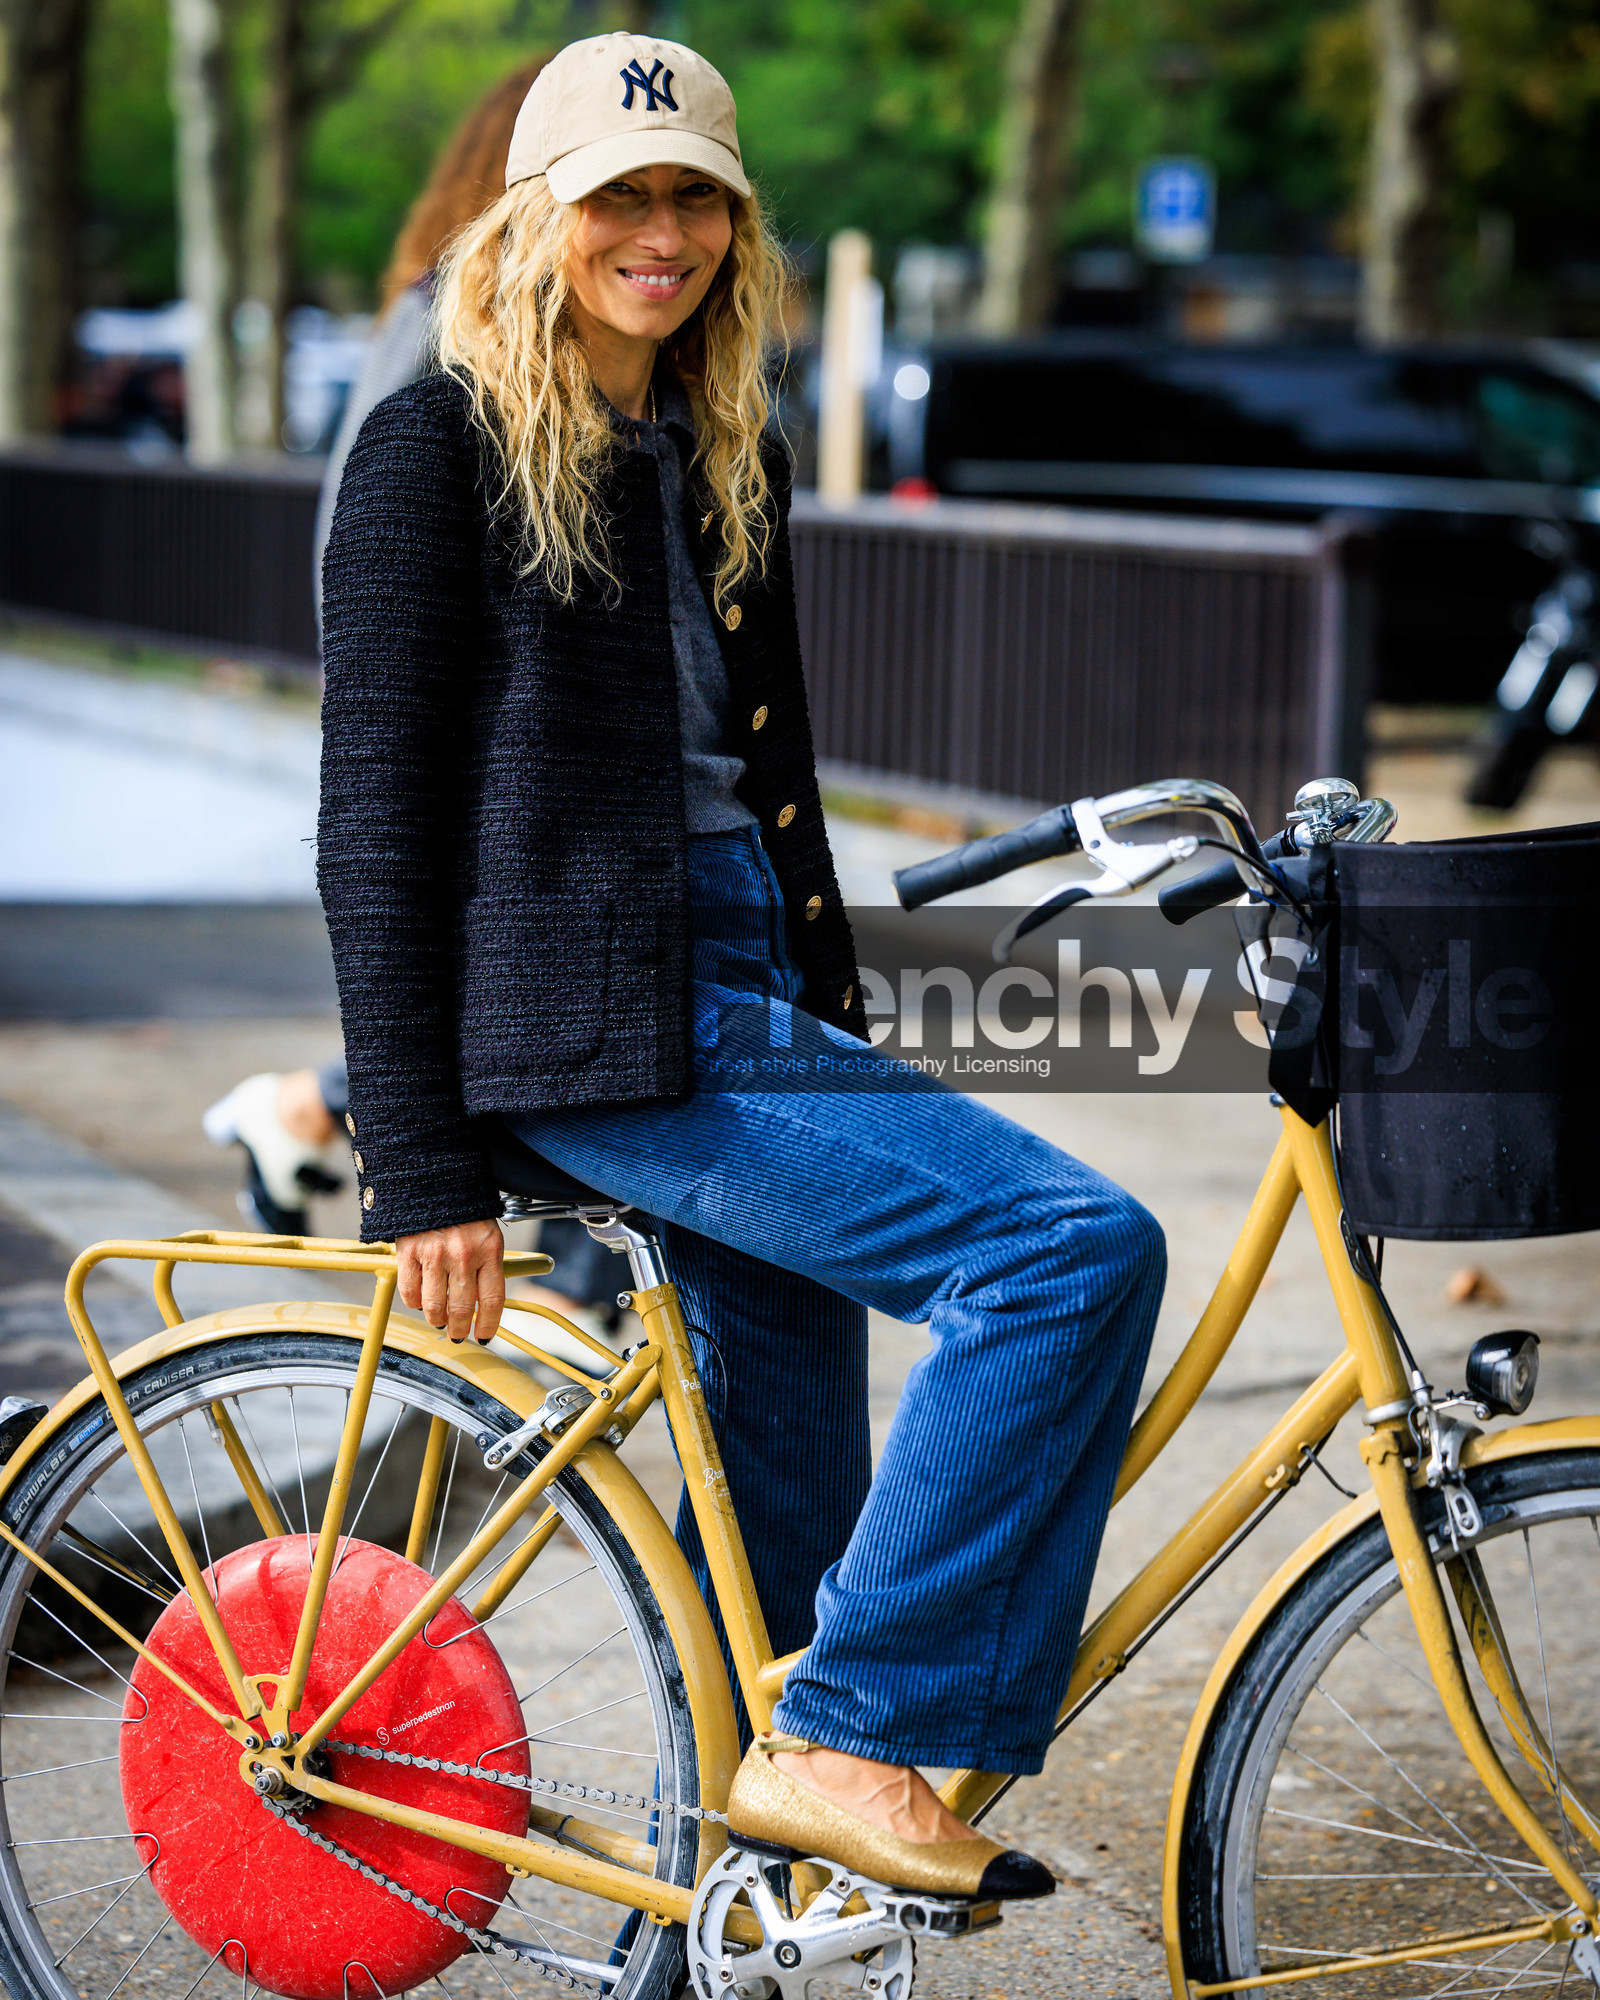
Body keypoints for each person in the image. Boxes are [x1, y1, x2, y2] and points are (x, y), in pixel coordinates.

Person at [317, 31, 1165, 1902]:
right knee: (1066, 1250)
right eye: (623, 195)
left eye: (698, 194)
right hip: (595, 1027)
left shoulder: (723, 446)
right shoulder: (432, 445)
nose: (666, 231)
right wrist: (418, 1159)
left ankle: (763, 1897)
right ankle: (862, 1734)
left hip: (737, 995)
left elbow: (764, 791)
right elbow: (373, 824)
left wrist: (828, 1012)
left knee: (777, 1568)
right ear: (538, 217)